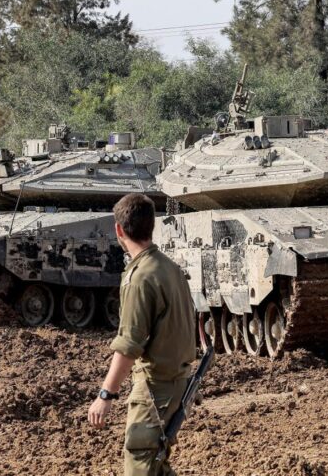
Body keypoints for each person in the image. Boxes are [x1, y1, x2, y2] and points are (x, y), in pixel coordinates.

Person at [88, 193, 196, 476]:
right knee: (155, 465)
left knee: (140, 459)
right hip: (176, 380)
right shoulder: (169, 267)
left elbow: (129, 345)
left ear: (119, 230)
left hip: (155, 385)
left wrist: (105, 394)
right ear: (152, 225)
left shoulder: (140, 277)